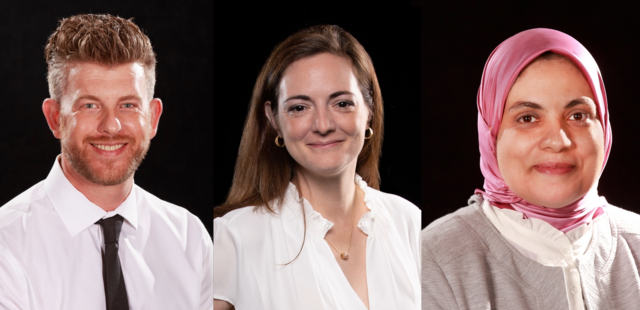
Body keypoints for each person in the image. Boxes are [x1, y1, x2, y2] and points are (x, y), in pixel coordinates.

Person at [0, 14, 212, 309]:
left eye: (128, 105)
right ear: (55, 119)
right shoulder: (6, 244)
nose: (111, 126)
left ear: (152, 118)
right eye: (89, 105)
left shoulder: (190, 238)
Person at [421, 28, 640, 309]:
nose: (557, 141)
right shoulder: (435, 262)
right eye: (527, 118)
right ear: (492, 133)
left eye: (578, 115)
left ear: (604, 128)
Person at [213, 25, 421, 310]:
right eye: (299, 107)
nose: (323, 125)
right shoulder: (232, 238)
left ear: (369, 111)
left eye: (342, 103)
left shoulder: (409, 222)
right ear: (273, 119)